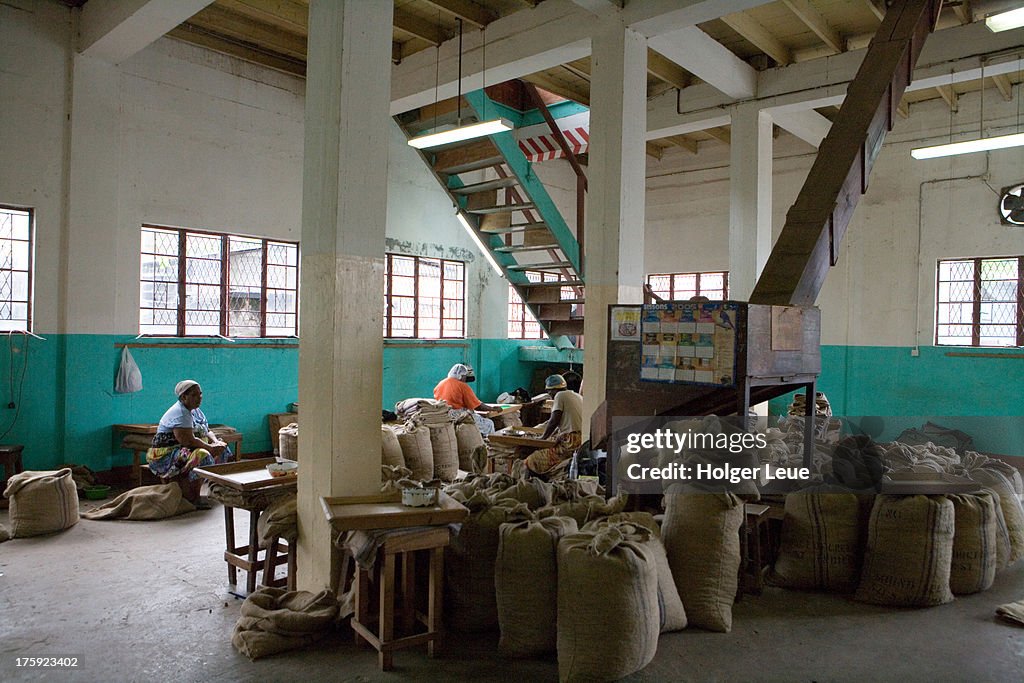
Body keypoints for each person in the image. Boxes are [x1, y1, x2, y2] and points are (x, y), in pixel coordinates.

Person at [146, 380, 231, 507]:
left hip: (185, 449)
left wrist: (216, 442)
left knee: (224, 450)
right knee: (203, 455)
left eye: (200, 394)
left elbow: (206, 430)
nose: (199, 398)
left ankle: (216, 490)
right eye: (195, 395)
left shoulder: (195, 411)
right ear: (183, 397)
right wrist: (210, 448)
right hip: (166, 455)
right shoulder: (180, 413)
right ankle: (194, 498)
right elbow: (188, 441)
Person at [524, 374, 583, 477]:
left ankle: (530, 486)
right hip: (580, 440)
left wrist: (543, 438)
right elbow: (561, 422)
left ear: (553, 389)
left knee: (531, 460)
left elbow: (554, 420)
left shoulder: (560, 396)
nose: (549, 394)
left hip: (570, 443)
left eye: (549, 391)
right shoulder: (577, 396)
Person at [433, 363, 500, 436]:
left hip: (443, 414)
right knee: (489, 423)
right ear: (461, 376)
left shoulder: (440, 384)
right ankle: (487, 443)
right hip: (458, 415)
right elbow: (478, 406)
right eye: (465, 377)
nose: (465, 379)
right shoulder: (462, 386)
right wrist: (493, 409)